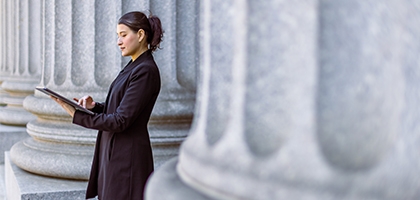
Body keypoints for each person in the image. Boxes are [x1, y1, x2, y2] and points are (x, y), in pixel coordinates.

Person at [52, 11, 163, 200]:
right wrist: (93, 106)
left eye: (123, 35)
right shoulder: (134, 66)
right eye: (118, 36)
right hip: (115, 153)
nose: (119, 41)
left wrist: (77, 115)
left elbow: (121, 120)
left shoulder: (145, 70)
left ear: (141, 35)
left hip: (127, 159)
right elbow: (121, 108)